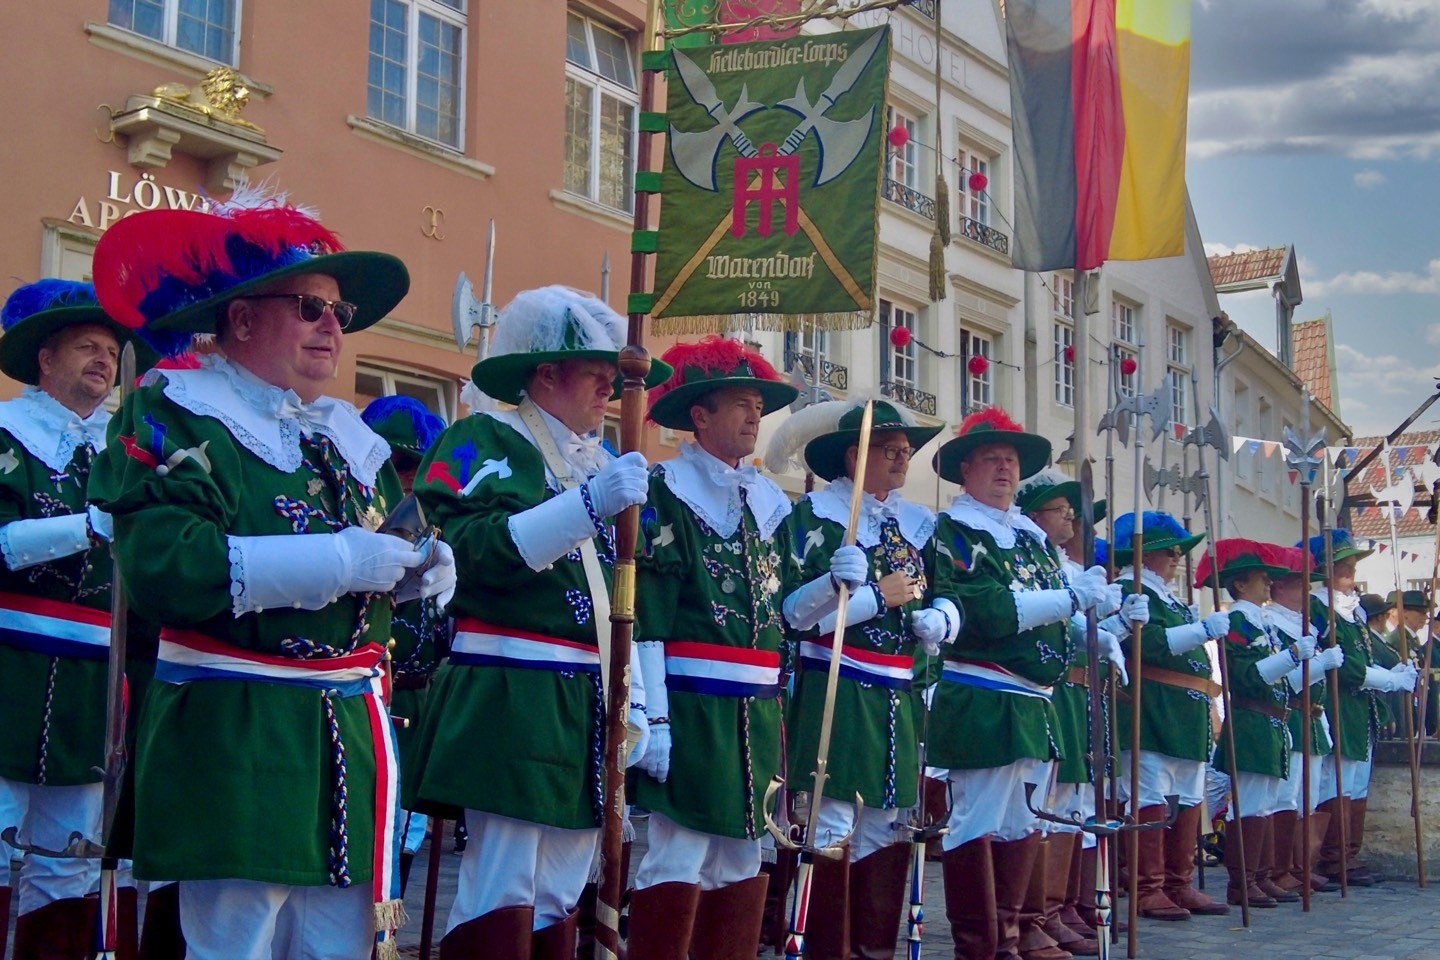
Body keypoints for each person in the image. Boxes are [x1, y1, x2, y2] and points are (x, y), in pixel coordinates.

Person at [88, 198, 456, 960]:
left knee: (338, 947)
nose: (333, 327)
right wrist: (343, 563)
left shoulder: (342, 435)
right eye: (311, 307)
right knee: (235, 944)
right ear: (244, 320)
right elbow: (169, 568)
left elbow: (374, 554)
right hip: (235, 729)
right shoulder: (178, 412)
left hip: (346, 740)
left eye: (339, 311)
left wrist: (414, 569)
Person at [406, 286, 670, 958]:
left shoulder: (604, 463)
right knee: (503, 883)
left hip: (587, 698)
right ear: (545, 373)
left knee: (561, 887)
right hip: (509, 687)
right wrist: (586, 506)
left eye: (616, 376)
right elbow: (470, 550)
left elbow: (625, 598)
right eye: (596, 372)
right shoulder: (483, 438)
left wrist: (636, 701)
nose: (612, 387)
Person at [625, 337, 799, 957]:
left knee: (744, 853)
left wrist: (841, 588)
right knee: (680, 851)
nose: (756, 417)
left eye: (759, 406)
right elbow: (647, 615)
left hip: (757, 711)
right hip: (693, 704)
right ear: (699, 415)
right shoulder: (666, 488)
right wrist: (655, 718)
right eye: (742, 405)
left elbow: (789, 614)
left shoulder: (771, 503)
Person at [0, 280, 153, 957]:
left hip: (96, 674)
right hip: (10, 660)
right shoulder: (8, 434)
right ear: (45, 359)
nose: (104, 358)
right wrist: (88, 526)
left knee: (70, 856)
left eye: (112, 349)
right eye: (87, 346)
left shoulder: (122, 454)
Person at [767, 397, 951, 959]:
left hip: (899, 691)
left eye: (905, 451)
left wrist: (942, 619)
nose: (902, 460)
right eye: (890, 449)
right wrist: (872, 599)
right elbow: (792, 615)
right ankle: (827, 948)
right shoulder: (815, 518)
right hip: (838, 685)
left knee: (888, 822)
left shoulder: (915, 525)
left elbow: (945, 592)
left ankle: (873, 950)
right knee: (833, 817)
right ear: (854, 455)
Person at [926, 410, 1112, 960]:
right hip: (984, 694)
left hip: (1036, 701)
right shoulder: (953, 531)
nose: (1005, 467)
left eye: (1011, 459)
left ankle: (1008, 940)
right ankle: (980, 946)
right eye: (992, 457)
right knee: (976, 822)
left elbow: (1060, 617)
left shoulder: (1031, 540)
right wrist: (1069, 599)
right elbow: (979, 606)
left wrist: (1106, 627)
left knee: (1019, 823)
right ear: (966, 469)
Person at [1014, 468, 1140, 958]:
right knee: (1055, 801)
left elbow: (1088, 635)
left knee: (1078, 804)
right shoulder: (1039, 565)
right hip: (1056, 689)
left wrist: (1119, 629)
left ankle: (1067, 906)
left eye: (1074, 512)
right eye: (1062, 511)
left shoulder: (1066, 566)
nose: (1074, 520)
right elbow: (1051, 628)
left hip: (1082, 692)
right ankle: (1039, 912)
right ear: (1036, 516)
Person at [1111, 510, 1231, 920]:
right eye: (1170, 551)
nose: (1178, 558)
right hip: (1151, 706)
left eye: (1179, 551)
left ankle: (1178, 883)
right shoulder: (1130, 590)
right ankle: (1149, 888)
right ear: (1146, 555)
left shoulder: (1169, 598)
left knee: (1187, 795)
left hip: (1185, 711)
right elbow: (1149, 647)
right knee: (1148, 795)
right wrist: (1202, 632)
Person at [359, 394, 449, 894]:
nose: (406, 477)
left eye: (413, 464)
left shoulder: (437, 526)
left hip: (420, 696)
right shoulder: (358, 516)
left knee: (409, 831)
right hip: (368, 693)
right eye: (395, 463)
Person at [1192, 540, 1308, 908]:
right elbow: (1244, 675)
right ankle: (1242, 882)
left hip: (1272, 718)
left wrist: (1304, 663)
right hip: (1251, 717)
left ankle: (1258, 876)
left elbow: (1282, 680)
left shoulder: (1262, 621)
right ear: (1240, 585)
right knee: (1251, 803)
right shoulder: (1239, 620)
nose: (1268, 584)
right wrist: (1290, 656)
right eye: (1261, 578)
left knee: (1266, 803)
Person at [1303, 531, 1416, 889]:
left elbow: (1366, 656)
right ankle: (1330, 857)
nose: (1351, 573)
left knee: (1356, 781)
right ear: (1325, 570)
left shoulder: (1352, 612)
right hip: (1337, 703)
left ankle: (1348, 854)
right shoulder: (1318, 609)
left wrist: (1394, 672)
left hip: (1360, 707)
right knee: (1336, 780)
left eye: (1352, 566)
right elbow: (1344, 665)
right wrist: (1387, 680)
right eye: (1344, 566)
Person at [1265, 546, 1340, 896]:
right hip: (1290, 714)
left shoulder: (1303, 625)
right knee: (1286, 797)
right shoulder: (1272, 623)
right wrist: (1320, 665)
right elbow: (1282, 680)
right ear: (1279, 587)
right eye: (1300, 585)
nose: (1306, 592)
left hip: (1311, 718)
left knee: (1306, 799)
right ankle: (1280, 869)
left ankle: (1300, 866)